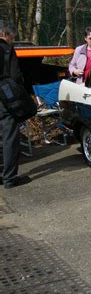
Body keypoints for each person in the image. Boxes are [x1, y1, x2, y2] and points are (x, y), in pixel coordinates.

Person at [0, 21, 32, 189]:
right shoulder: (7, 49)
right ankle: (10, 178)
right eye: (12, 37)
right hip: (5, 101)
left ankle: (2, 173)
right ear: (5, 34)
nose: (12, 40)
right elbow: (16, 76)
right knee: (10, 139)